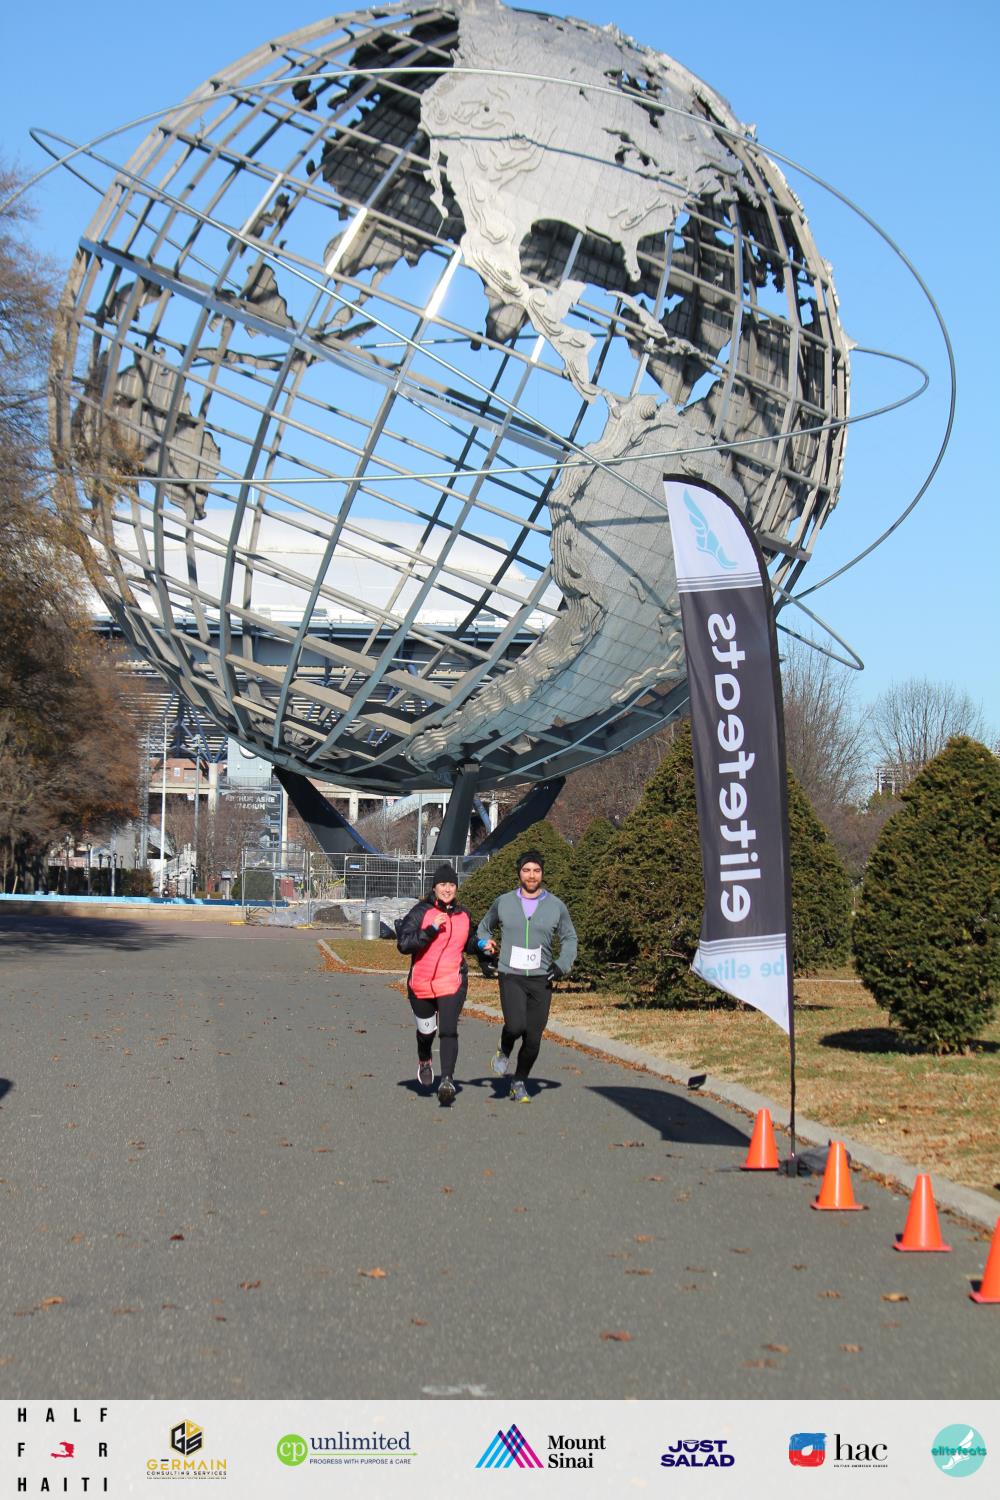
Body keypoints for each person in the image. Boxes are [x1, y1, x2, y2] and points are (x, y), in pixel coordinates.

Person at [477, 848, 577, 1102]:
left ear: (542, 873)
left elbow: (570, 938)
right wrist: (485, 945)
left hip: (542, 978)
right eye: (526, 870)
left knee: (533, 1039)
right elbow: (484, 928)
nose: (531, 875)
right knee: (515, 1026)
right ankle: (504, 1048)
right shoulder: (503, 902)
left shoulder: (556, 906)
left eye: (536, 870)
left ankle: (519, 1081)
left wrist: (561, 965)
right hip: (510, 973)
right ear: (519, 873)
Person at [396, 862, 478, 1105]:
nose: (447, 889)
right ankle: (424, 1060)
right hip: (421, 983)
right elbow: (404, 944)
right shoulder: (421, 911)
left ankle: (447, 1080)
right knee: (426, 1032)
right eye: (443, 884)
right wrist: (431, 930)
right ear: (434, 887)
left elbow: (469, 941)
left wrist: (482, 946)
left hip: (451, 981)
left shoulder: (463, 915)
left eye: (451, 884)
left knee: (448, 1030)